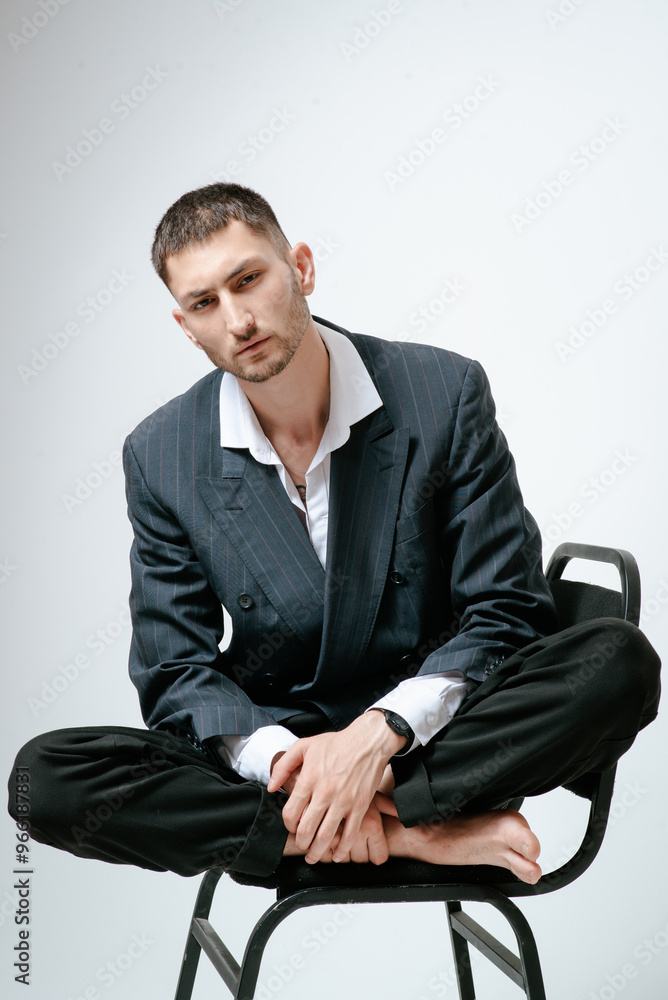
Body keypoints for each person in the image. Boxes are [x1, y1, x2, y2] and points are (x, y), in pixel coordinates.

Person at [9, 184, 660, 887]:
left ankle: (385, 809)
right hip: (279, 758)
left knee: (618, 661)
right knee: (43, 779)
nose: (238, 319)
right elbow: (174, 671)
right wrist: (285, 759)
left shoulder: (442, 392)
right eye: (205, 304)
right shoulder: (162, 453)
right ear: (185, 326)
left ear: (302, 268)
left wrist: (378, 735)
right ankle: (411, 833)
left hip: (437, 737)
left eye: (249, 279)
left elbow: (506, 609)